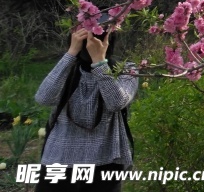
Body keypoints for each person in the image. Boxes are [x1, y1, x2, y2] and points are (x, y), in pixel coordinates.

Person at [34, 19, 138, 191]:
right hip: (60, 159)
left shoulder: (126, 69)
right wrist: (71, 53)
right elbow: (43, 98)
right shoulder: (68, 67)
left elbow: (116, 102)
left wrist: (99, 62)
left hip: (106, 159)